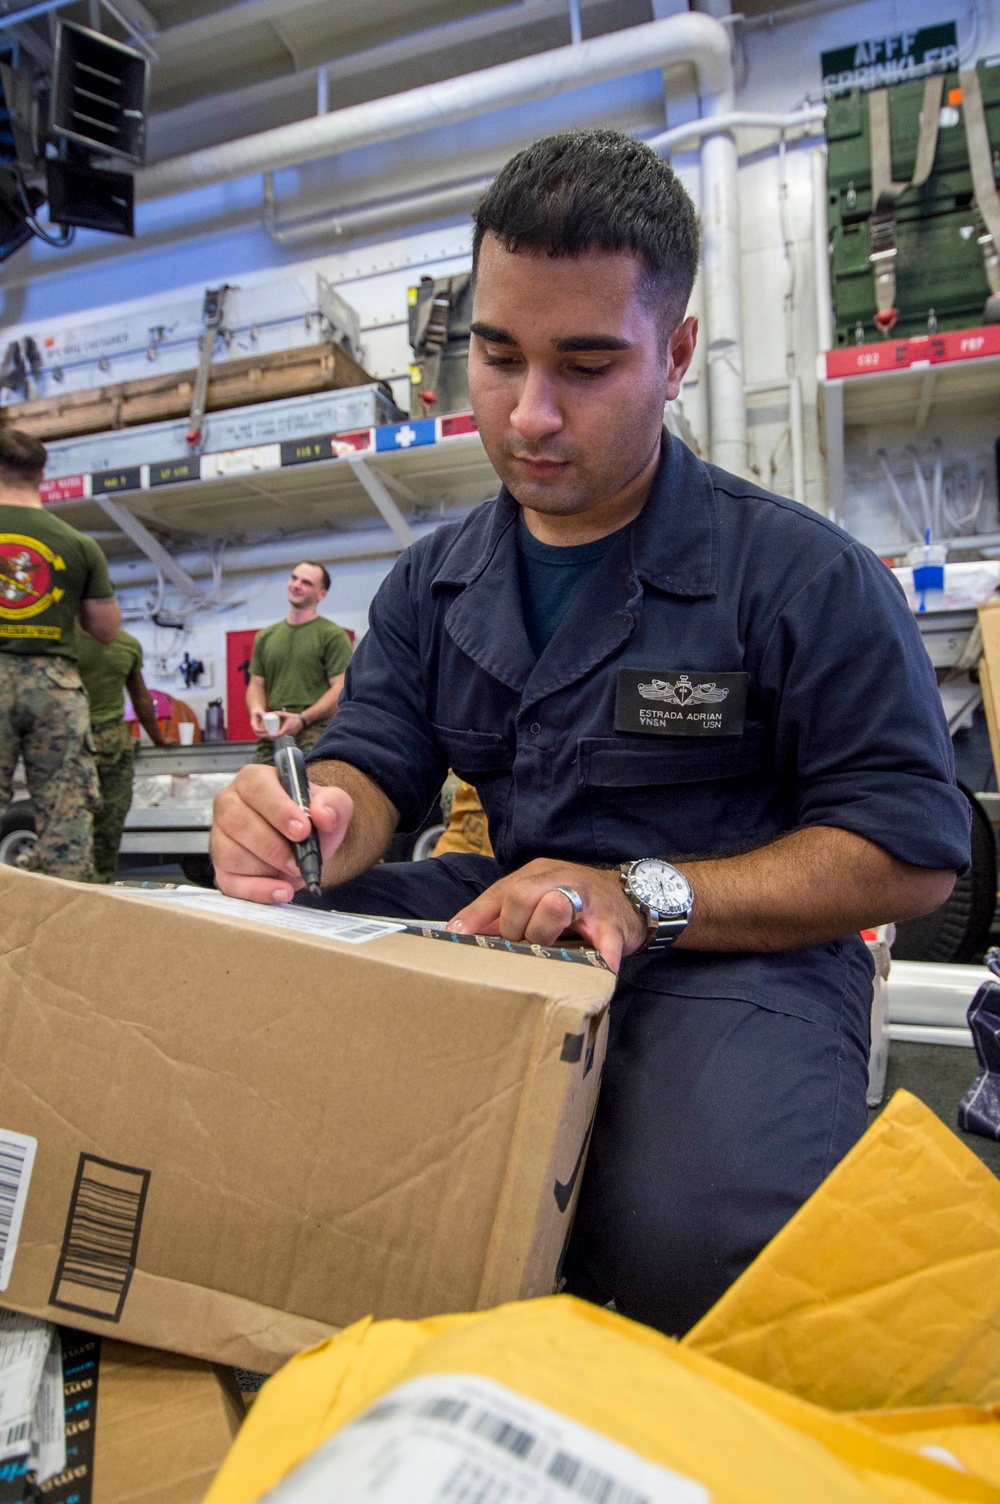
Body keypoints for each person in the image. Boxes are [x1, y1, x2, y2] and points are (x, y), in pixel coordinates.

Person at [211, 131, 970, 1336]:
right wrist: (314, 824)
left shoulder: (801, 578)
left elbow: (908, 849)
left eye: (586, 363)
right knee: (231, 969)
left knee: (697, 1248)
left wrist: (637, 893)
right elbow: (377, 757)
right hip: (515, 914)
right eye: (498, 357)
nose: (530, 413)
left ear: (673, 356)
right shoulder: (433, 583)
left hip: (731, 948)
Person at [0, 429, 120, 880]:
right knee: (66, 812)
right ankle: (67, 934)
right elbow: (106, 630)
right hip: (55, 685)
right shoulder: (78, 543)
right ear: (42, 475)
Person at [75, 626, 169, 882]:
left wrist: (158, 738)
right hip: (97, 742)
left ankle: (90, 887)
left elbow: (141, 698)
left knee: (87, 825)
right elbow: (141, 698)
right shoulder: (126, 643)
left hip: (77, 740)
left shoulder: (63, 639)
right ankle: (94, 884)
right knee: (105, 825)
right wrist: (158, 738)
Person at [246, 561, 352, 764]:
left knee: (313, 791)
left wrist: (303, 718)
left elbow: (340, 688)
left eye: (306, 582)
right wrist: (256, 711)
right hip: (274, 730)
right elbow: (256, 685)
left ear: (321, 594)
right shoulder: (265, 637)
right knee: (258, 787)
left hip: (316, 730)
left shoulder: (332, 635)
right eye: (294, 578)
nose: (296, 585)